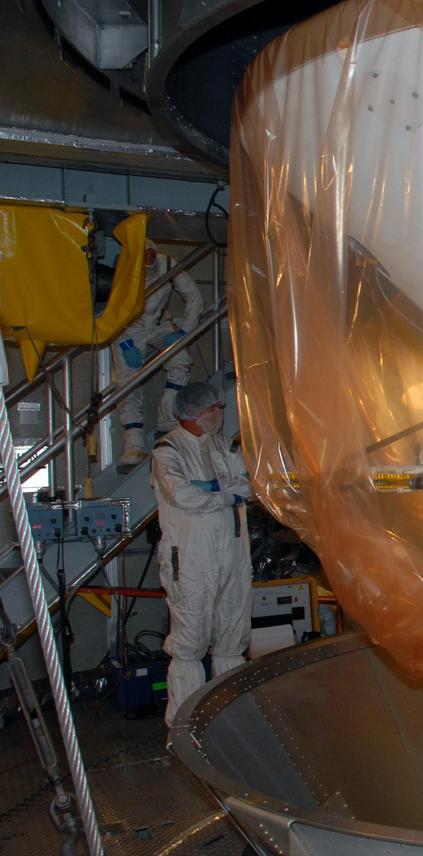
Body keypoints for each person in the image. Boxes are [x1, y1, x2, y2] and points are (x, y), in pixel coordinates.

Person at [150, 382, 252, 726]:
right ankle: (185, 726)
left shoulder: (224, 446)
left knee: (231, 636)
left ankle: (234, 722)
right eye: (212, 409)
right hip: (191, 559)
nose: (218, 414)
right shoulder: (168, 451)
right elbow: (184, 496)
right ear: (192, 414)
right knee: (190, 640)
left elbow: (250, 485)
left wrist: (216, 488)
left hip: (233, 557)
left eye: (218, 408)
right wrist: (227, 493)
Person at [114, 241, 204, 472]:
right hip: (128, 329)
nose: (149, 261)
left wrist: (183, 331)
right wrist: (123, 341)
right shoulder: (121, 269)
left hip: (160, 324)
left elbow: (194, 296)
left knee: (181, 361)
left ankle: (167, 414)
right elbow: (108, 309)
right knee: (127, 383)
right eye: (143, 257)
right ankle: (134, 442)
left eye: (151, 255)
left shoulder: (168, 264)